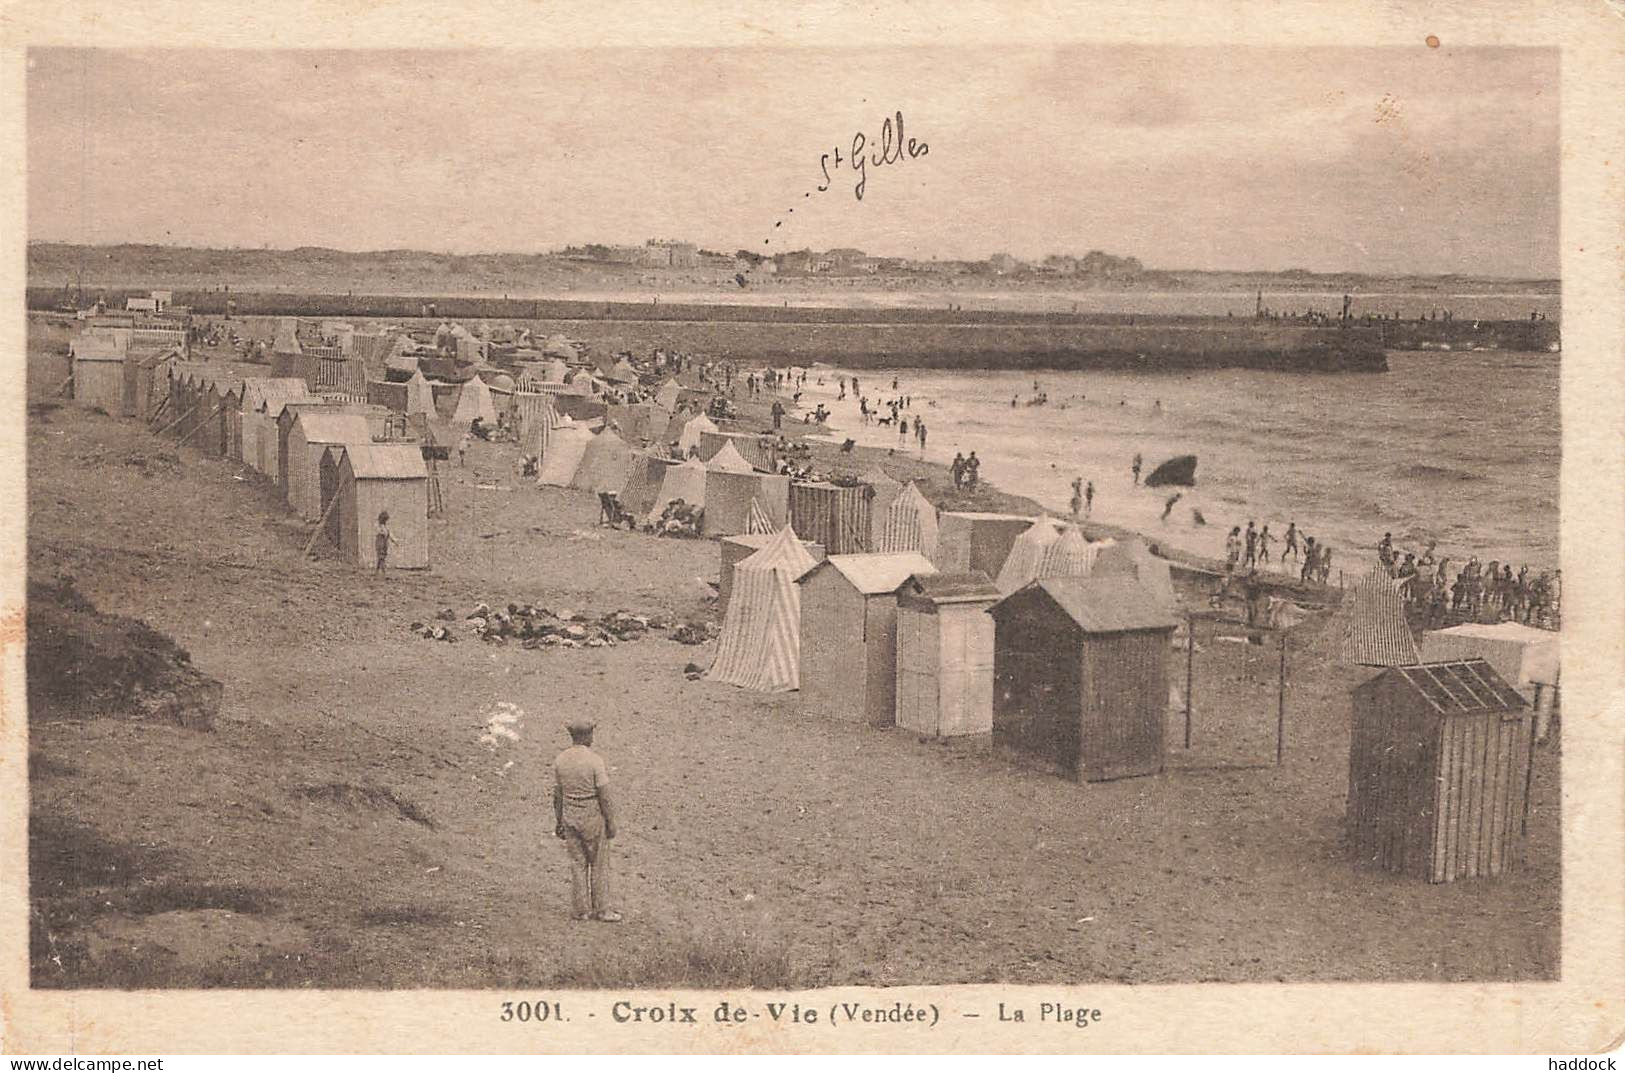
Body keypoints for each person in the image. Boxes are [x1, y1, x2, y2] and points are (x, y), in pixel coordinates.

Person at [553, 717, 621, 923]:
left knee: (577, 863)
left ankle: (580, 910)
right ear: (586, 736)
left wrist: (558, 821)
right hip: (592, 816)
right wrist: (611, 821)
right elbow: (605, 795)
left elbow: (557, 795)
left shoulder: (560, 760)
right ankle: (601, 909)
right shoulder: (594, 760)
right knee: (599, 864)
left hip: (570, 815)